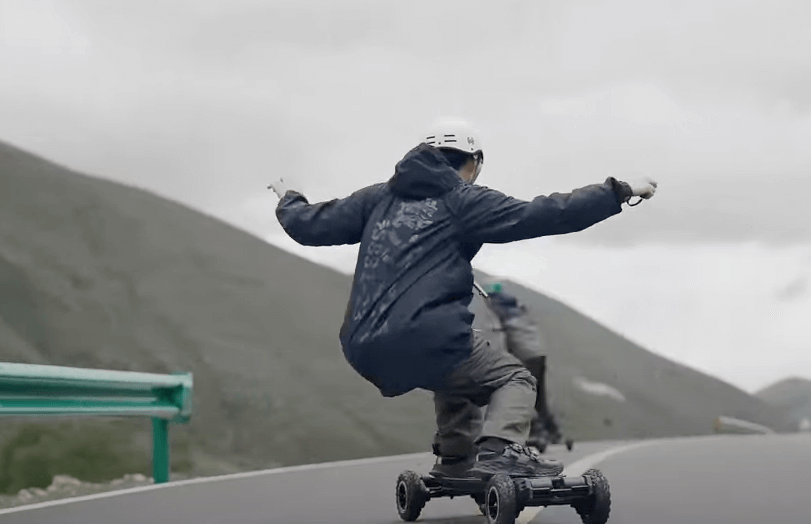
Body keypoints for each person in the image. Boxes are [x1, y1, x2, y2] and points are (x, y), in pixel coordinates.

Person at [268, 117, 657, 479]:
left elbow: (308, 226)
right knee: (513, 377)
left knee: (458, 367)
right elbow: (548, 213)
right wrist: (618, 192)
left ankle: (455, 456)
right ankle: (501, 450)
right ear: (474, 162)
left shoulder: (377, 199)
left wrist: (289, 197)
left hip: (361, 345)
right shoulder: (463, 200)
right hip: (427, 335)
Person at [483, 282, 559, 443]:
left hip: (524, 356)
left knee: (523, 394)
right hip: (538, 354)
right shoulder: (519, 308)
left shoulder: (498, 309)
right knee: (539, 395)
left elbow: (500, 336)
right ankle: (553, 432)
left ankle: (536, 432)